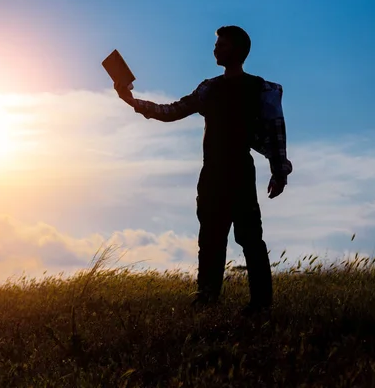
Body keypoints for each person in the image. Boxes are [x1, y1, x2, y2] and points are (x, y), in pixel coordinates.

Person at [114, 25, 292, 316]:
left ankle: (260, 303)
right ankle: (207, 299)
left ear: (236, 50)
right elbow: (172, 111)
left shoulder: (261, 88)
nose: (215, 49)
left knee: (249, 238)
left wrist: (279, 171)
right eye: (216, 45)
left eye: (221, 45)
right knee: (210, 238)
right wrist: (131, 101)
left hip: (239, 172)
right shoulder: (209, 88)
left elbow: (276, 131)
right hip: (211, 174)